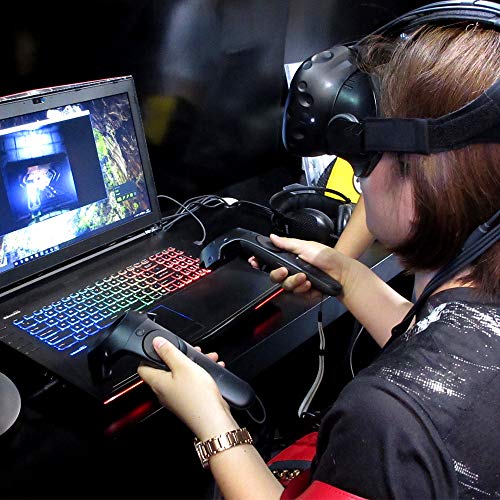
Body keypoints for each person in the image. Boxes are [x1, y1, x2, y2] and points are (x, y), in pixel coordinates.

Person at [138, 19, 500, 499]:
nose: (359, 180)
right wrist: (346, 273)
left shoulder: (388, 424)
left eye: (365, 157)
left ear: (427, 177)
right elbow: (445, 351)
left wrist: (211, 420)